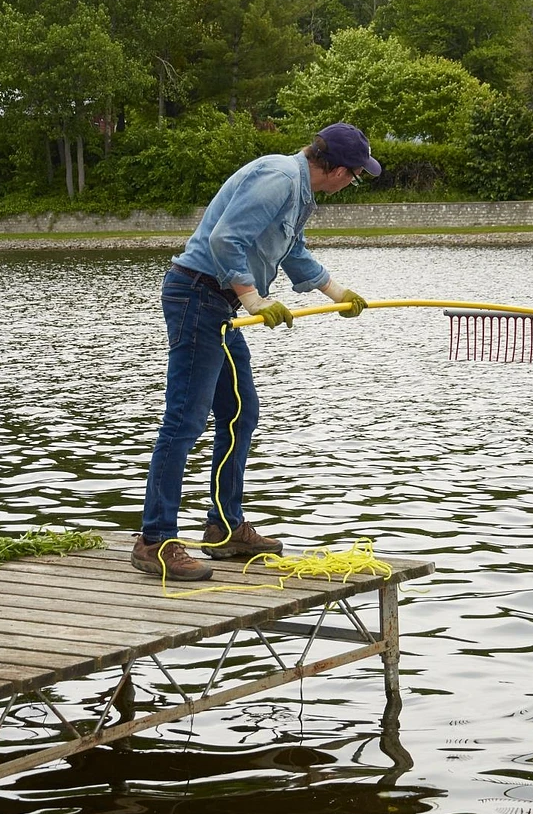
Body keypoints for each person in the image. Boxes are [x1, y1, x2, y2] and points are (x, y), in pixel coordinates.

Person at [132, 123, 382, 581]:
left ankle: (224, 528)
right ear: (340, 170)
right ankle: (154, 540)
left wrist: (336, 291)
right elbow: (225, 240)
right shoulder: (279, 178)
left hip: (220, 304)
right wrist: (252, 296)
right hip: (197, 296)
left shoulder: (298, 191)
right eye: (356, 174)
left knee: (240, 413)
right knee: (185, 420)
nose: (353, 182)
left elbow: (292, 252)